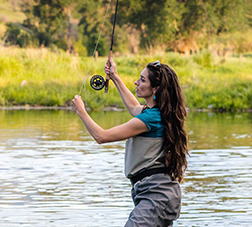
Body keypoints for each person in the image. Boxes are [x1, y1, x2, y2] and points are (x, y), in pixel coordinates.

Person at [71, 56, 188, 227]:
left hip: (156, 196)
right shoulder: (157, 113)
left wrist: (81, 111)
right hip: (154, 194)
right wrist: (115, 76)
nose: (136, 82)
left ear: (155, 88)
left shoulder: (151, 118)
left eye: (142, 80)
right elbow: (134, 108)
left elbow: (101, 136)